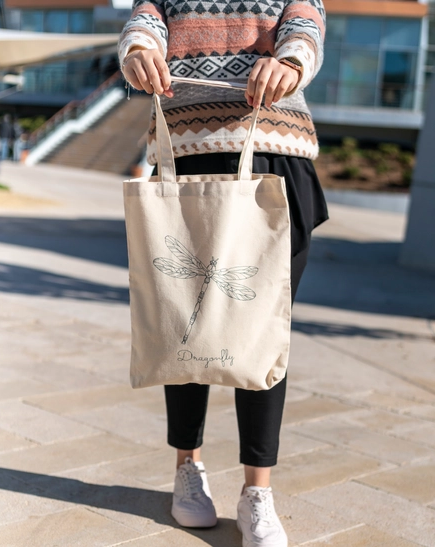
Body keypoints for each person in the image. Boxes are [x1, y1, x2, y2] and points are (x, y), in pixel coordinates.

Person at [119, 1, 328, 545]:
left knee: (261, 330)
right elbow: (145, 21)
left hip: (273, 152)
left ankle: (258, 491)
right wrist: (138, 51)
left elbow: (305, 26)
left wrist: (292, 63)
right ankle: (188, 467)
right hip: (186, 153)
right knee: (181, 323)